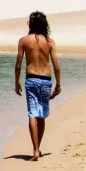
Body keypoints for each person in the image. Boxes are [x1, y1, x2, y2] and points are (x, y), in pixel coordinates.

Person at [14, 11, 61, 161]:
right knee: (41, 115)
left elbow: (18, 65)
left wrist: (16, 82)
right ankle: (38, 148)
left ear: (30, 24)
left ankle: (35, 150)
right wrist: (58, 84)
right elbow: (56, 66)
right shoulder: (49, 42)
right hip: (46, 80)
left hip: (31, 79)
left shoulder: (23, 40)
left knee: (32, 114)